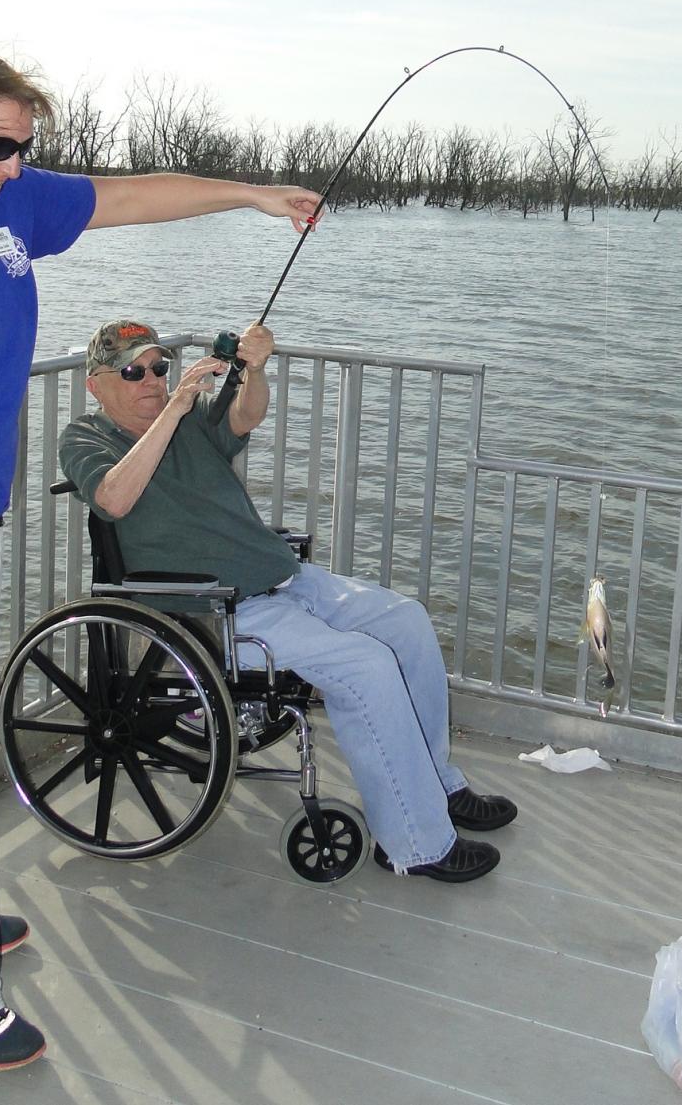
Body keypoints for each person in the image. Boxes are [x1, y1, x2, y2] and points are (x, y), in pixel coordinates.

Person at [0, 38, 321, 1072]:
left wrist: (253, 195)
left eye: (25, 148)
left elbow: (127, 196)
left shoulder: (2, 208)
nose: (13, 166)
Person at [59, 317, 518, 888]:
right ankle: (415, 842)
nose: (152, 380)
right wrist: (173, 410)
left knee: (406, 622)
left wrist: (255, 369)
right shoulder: (86, 437)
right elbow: (113, 498)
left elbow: (245, 416)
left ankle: (440, 786)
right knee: (365, 666)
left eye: (159, 367)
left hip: (283, 577)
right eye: (134, 371)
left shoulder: (189, 424)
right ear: (96, 384)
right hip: (216, 612)